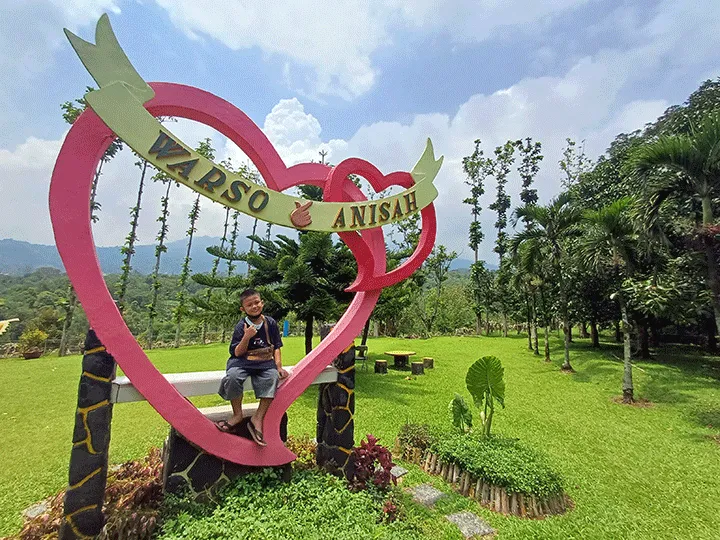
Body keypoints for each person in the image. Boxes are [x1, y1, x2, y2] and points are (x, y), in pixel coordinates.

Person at [216, 289, 288, 446]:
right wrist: (247, 336)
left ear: (262, 303)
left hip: (264, 362)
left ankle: (258, 417)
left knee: (272, 378)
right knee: (233, 378)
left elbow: (276, 346)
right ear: (243, 309)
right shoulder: (241, 326)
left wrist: (279, 366)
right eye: (250, 304)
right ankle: (237, 414)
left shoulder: (270, 323)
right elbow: (237, 352)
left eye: (257, 302)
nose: (255, 306)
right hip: (242, 361)